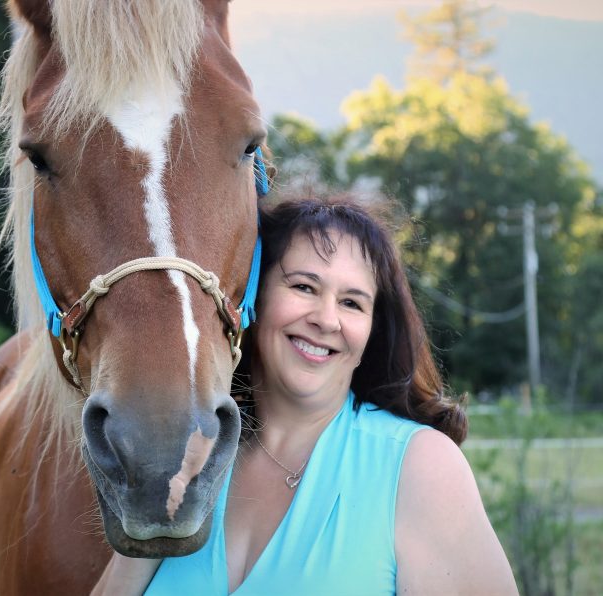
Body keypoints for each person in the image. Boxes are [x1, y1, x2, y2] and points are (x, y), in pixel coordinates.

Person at [93, 196, 518, 595]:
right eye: (304, 288)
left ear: (372, 331)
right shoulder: (194, 453)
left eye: (352, 303)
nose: (326, 319)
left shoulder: (419, 465)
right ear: (251, 298)